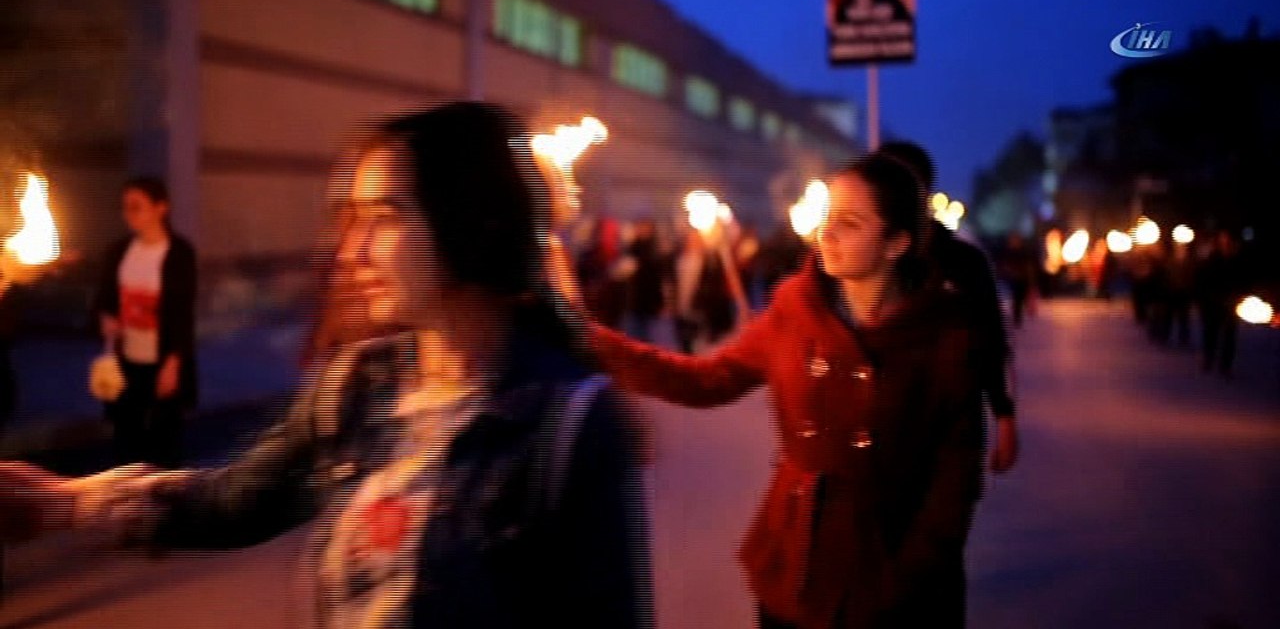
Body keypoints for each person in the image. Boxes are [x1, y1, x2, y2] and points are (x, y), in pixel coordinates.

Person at [0, 102, 653, 628]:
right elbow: (235, 501)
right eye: (351, 220)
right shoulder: (360, 385)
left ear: (465, 224)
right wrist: (66, 504)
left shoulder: (568, 422)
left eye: (383, 218)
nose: (351, 250)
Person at [573, 153, 985, 628]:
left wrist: (911, 571)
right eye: (829, 218)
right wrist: (592, 341)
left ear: (896, 243)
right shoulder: (795, 310)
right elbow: (707, 380)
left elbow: (956, 476)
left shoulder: (944, 335)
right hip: (799, 562)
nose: (827, 234)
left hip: (891, 570)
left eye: (850, 224)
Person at [877, 140, 1019, 474]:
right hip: (874, 435)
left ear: (923, 191)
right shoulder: (864, 261)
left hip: (951, 433)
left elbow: (991, 340)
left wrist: (1005, 416)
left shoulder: (963, 262)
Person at [93, 177, 197, 469]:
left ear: (161, 208)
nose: (129, 214)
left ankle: (165, 493)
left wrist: (173, 364)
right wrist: (106, 318)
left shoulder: (178, 253)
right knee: (126, 437)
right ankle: (125, 491)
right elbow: (105, 297)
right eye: (125, 207)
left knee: (164, 440)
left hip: (161, 360)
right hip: (126, 358)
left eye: (136, 207)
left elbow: (182, 313)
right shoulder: (119, 251)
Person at [1194, 230, 1247, 378]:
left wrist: (1239, 297)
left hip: (1231, 304)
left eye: (1228, 241)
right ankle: (1209, 358)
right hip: (1212, 303)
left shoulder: (1237, 261)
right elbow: (1202, 281)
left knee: (1229, 335)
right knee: (1211, 333)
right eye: (1223, 241)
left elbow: (1243, 281)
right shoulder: (1212, 260)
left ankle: (1226, 365)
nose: (1226, 244)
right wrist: (1204, 300)